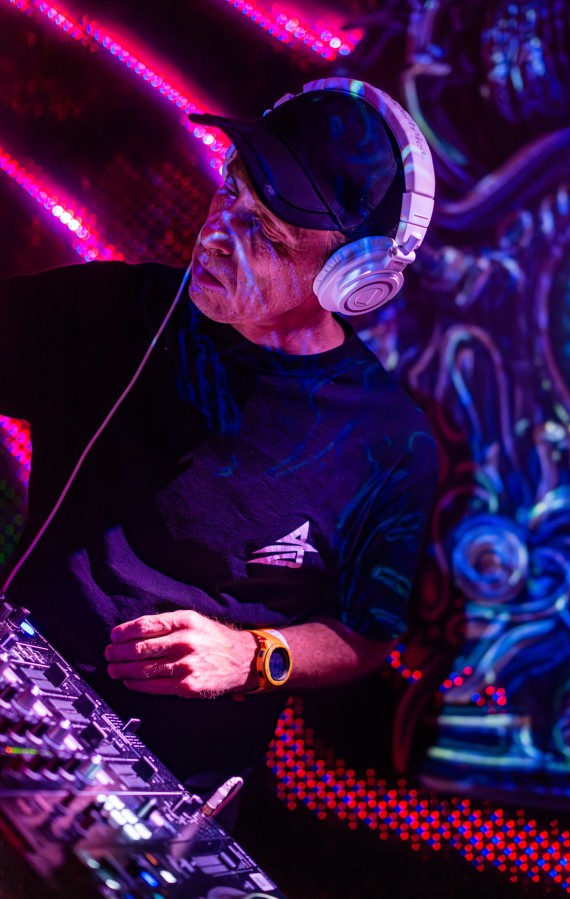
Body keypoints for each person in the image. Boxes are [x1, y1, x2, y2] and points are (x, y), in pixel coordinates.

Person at [0, 79, 438, 798]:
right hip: (19, 696)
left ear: (352, 281)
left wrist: (254, 656)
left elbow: (368, 631)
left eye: (266, 233)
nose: (216, 235)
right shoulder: (116, 312)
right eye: (229, 191)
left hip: (171, 787)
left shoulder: (389, 444)